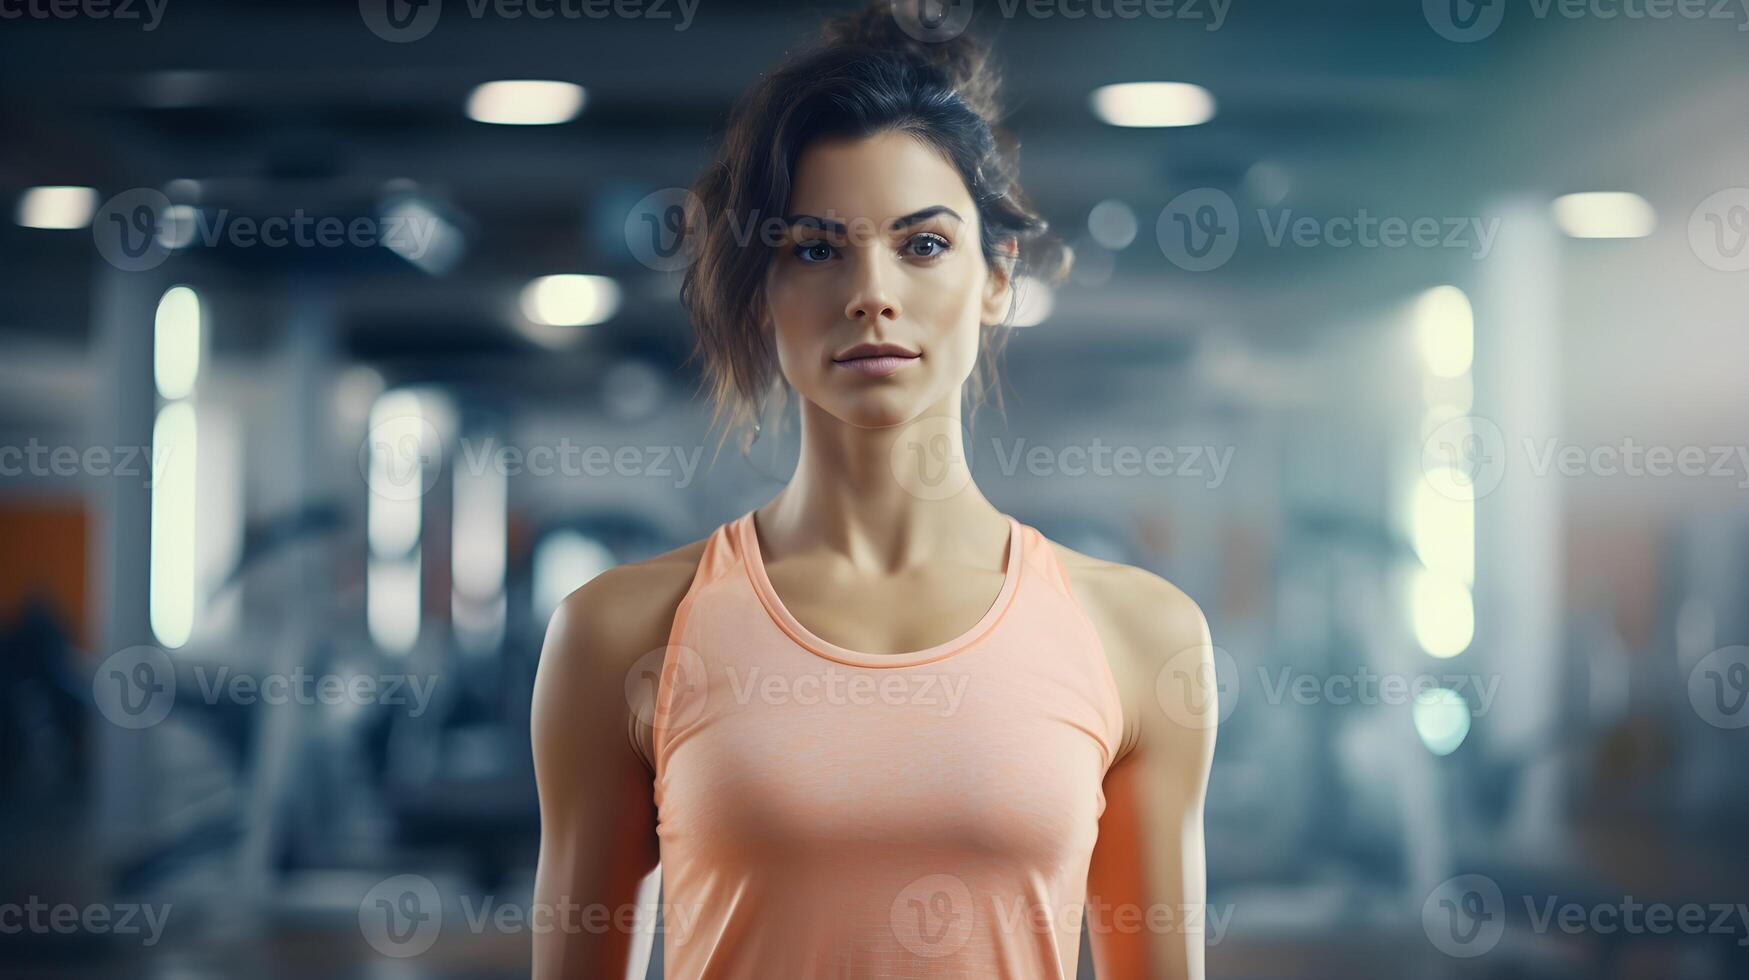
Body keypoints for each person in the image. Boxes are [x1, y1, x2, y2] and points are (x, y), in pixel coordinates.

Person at [531, 2, 1216, 976]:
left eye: (923, 243)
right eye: (816, 248)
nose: (872, 291)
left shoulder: (1142, 638)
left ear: (995, 275)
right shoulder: (621, 634)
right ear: (762, 287)